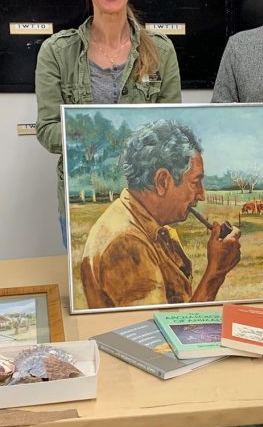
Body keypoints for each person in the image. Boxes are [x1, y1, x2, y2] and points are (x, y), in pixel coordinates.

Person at [35, 0, 182, 247]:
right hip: (80, 204)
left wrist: (97, 135)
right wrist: (107, 139)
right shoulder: (56, 52)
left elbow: (172, 130)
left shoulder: (161, 50)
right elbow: (47, 130)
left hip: (147, 205)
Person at [80, 120, 241, 308]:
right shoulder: (126, 243)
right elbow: (159, 331)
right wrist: (216, 273)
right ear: (163, 181)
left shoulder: (148, 227)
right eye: (195, 182)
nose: (201, 195)